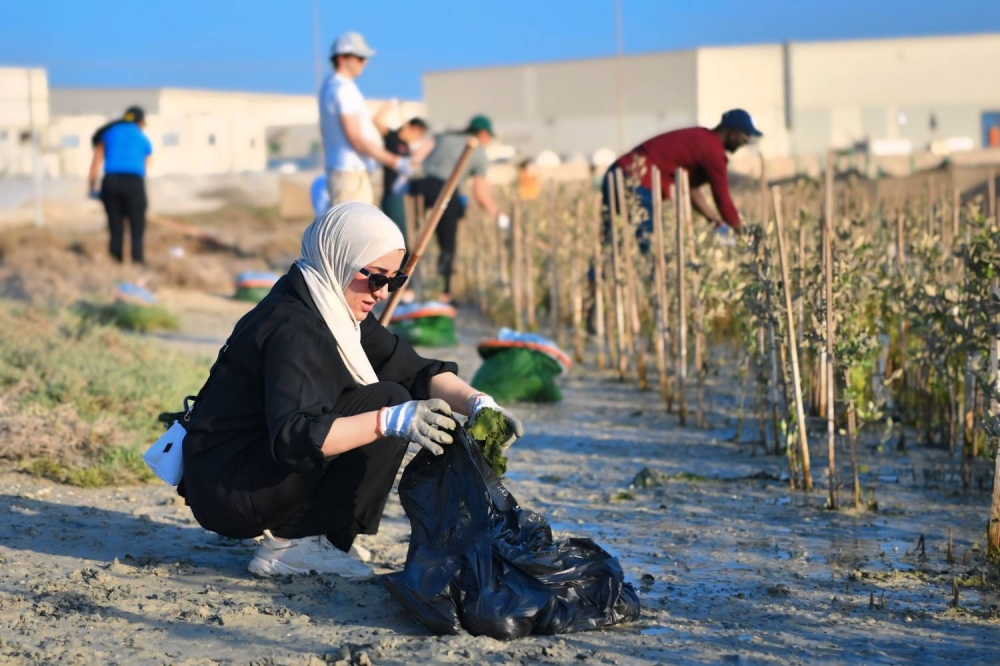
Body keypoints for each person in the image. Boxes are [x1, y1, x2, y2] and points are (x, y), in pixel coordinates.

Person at [177, 202, 524, 579]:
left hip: (245, 471)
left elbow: (412, 368)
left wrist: (478, 404)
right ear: (338, 257)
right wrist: (391, 420)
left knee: (391, 396)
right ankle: (295, 545)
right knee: (388, 402)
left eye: (394, 281)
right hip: (228, 489)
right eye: (375, 277)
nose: (382, 293)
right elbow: (294, 438)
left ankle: (322, 536)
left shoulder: (327, 302)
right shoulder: (296, 327)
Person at [603, 108, 762, 247]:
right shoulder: (713, 151)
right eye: (745, 137)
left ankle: (595, 279)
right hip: (636, 180)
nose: (745, 143)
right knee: (649, 241)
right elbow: (723, 200)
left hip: (616, 173)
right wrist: (744, 234)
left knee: (612, 239)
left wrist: (712, 218)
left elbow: (690, 188)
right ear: (732, 133)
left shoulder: (703, 139)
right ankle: (651, 280)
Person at [409, 115, 508, 302]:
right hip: (446, 190)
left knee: (411, 236)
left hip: (420, 187)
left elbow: (416, 157)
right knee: (447, 243)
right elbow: (481, 192)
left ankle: (409, 290)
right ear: (482, 134)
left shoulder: (443, 137)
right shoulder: (477, 151)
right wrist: (497, 213)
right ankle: (444, 293)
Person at [319, 32, 411, 206]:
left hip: (344, 173)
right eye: (360, 58)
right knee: (354, 232)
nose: (365, 63)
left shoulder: (329, 86)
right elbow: (356, 138)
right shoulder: (343, 89)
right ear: (341, 59)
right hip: (351, 176)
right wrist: (396, 162)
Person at [88, 106, 153, 264]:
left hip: (111, 182)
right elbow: (148, 163)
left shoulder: (109, 133)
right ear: (140, 122)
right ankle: (137, 262)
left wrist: (92, 187)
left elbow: (96, 161)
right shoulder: (141, 137)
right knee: (137, 226)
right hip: (134, 182)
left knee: (115, 226)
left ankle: (115, 262)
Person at [372, 105, 432, 243]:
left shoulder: (409, 147)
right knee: (395, 234)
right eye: (419, 133)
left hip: (405, 196)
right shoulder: (392, 138)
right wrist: (389, 105)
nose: (418, 137)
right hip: (393, 194)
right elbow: (376, 120)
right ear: (413, 129)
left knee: (407, 235)